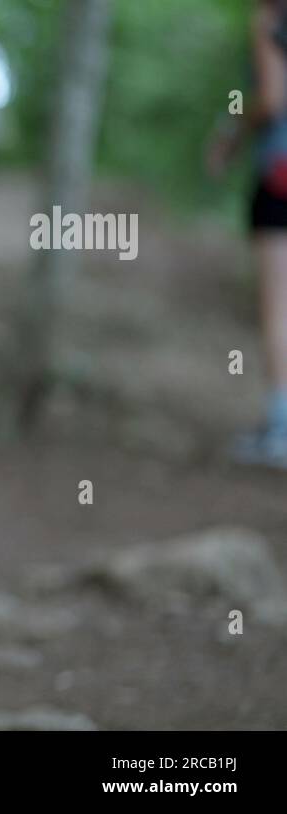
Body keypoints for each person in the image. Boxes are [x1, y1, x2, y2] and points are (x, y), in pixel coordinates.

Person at [210, 0, 287, 467]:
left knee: (279, 305)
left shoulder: (270, 19)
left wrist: (230, 134)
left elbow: (273, 98)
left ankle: (281, 427)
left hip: (279, 173)